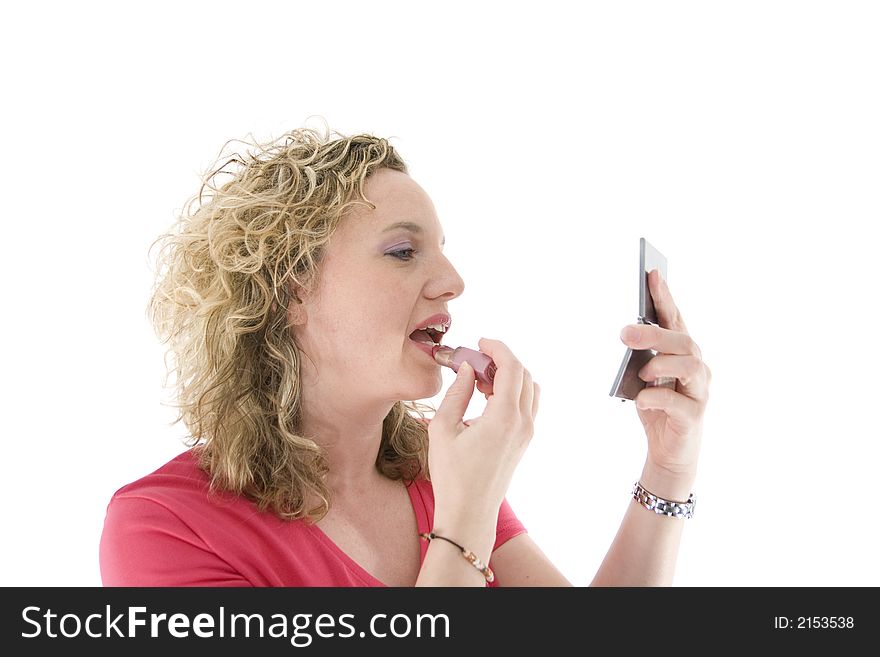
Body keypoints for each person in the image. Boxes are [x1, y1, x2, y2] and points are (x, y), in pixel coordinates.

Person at [99, 124, 711, 587]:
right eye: (401, 252)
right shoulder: (164, 526)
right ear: (290, 290)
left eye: (442, 250)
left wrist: (669, 467)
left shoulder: (431, 474)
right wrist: (467, 515)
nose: (452, 281)